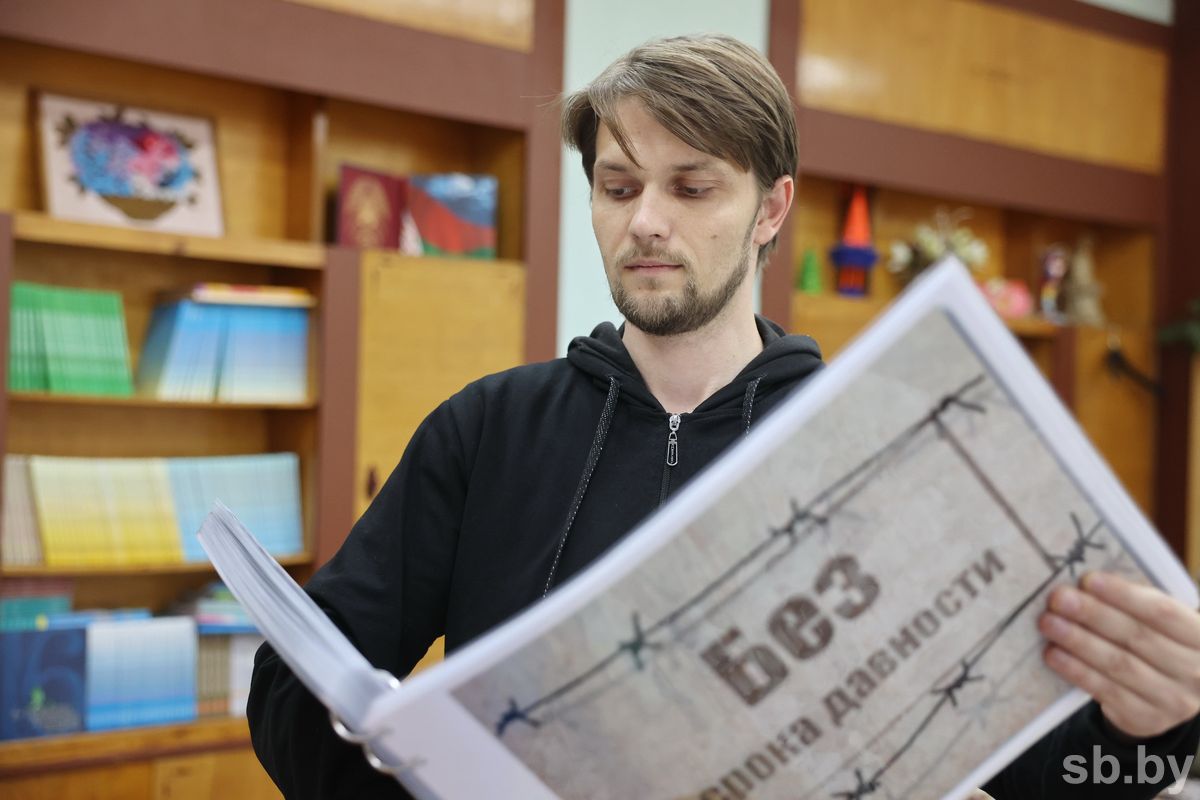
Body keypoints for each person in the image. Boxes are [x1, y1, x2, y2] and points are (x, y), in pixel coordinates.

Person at [247, 34, 1200, 799]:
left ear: (770, 210)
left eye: (692, 187)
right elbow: (292, 687)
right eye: (618, 187)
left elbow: (1052, 776)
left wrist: (1153, 730)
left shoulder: (880, 445)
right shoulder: (486, 430)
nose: (644, 221)